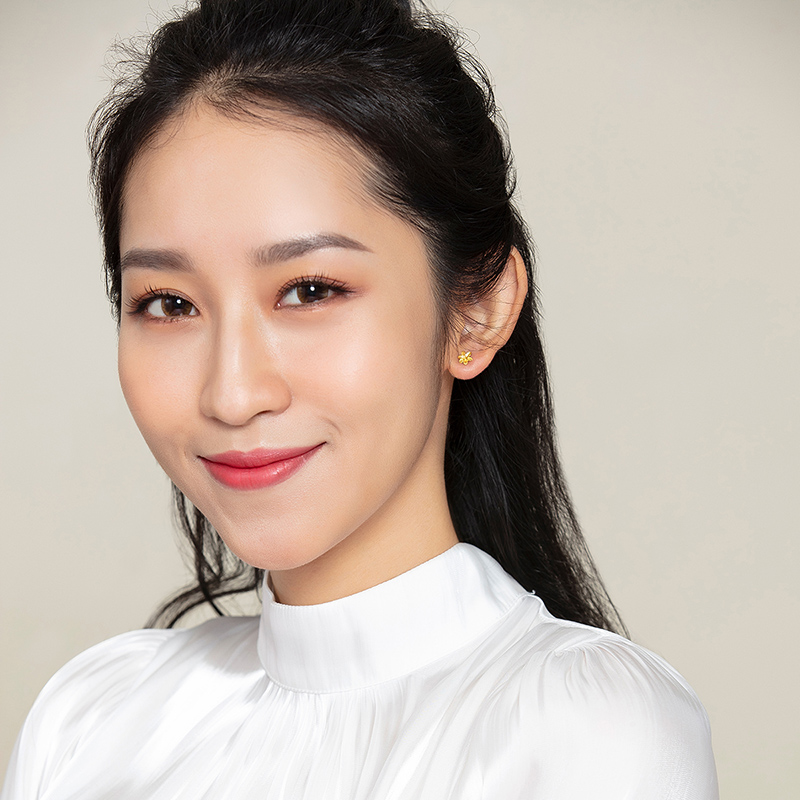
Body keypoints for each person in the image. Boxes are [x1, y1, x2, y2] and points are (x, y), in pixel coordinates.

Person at [1, 0, 719, 797]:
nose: (232, 394)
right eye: (169, 303)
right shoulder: (90, 724)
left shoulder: (590, 730)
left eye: (310, 290)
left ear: (477, 308)